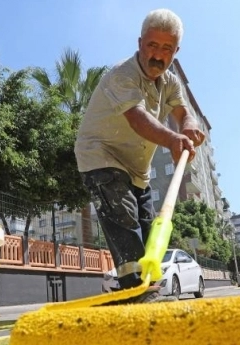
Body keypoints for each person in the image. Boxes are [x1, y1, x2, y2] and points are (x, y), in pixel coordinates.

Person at [75, 8, 205, 304]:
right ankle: (136, 294)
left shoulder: (171, 83)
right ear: (139, 43)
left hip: (138, 170)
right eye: (152, 45)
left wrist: (188, 129)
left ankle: (148, 289)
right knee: (124, 216)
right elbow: (138, 119)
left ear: (176, 51)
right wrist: (174, 139)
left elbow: (184, 113)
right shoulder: (123, 76)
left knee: (150, 234)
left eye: (166, 49)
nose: (158, 55)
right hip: (101, 155)